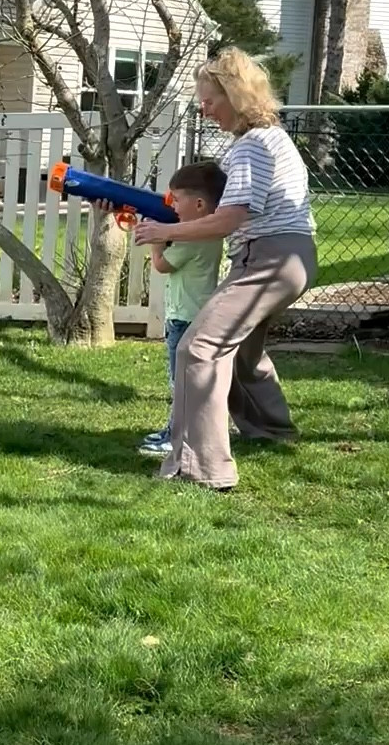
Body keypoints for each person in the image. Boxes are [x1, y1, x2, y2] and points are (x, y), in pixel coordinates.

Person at [133, 48, 317, 490]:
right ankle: (272, 431)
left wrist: (162, 231)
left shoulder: (251, 146)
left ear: (235, 96)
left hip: (266, 256)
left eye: (209, 99)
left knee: (198, 349)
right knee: (242, 354)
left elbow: (229, 218)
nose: (203, 108)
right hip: (293, 256)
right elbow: (218, 210)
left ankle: (201, 465)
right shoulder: (272, 138)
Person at [138, 161, 227, 460]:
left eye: (177, 200)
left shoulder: (194, 237)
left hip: (185, 318)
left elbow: (162, 265)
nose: (172, 206)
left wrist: (157, 240)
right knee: (185, 380)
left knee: (181, 382)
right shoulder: (206, 232)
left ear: (199, 204)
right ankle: (174, 429)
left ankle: (179, 436)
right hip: (194, 314)